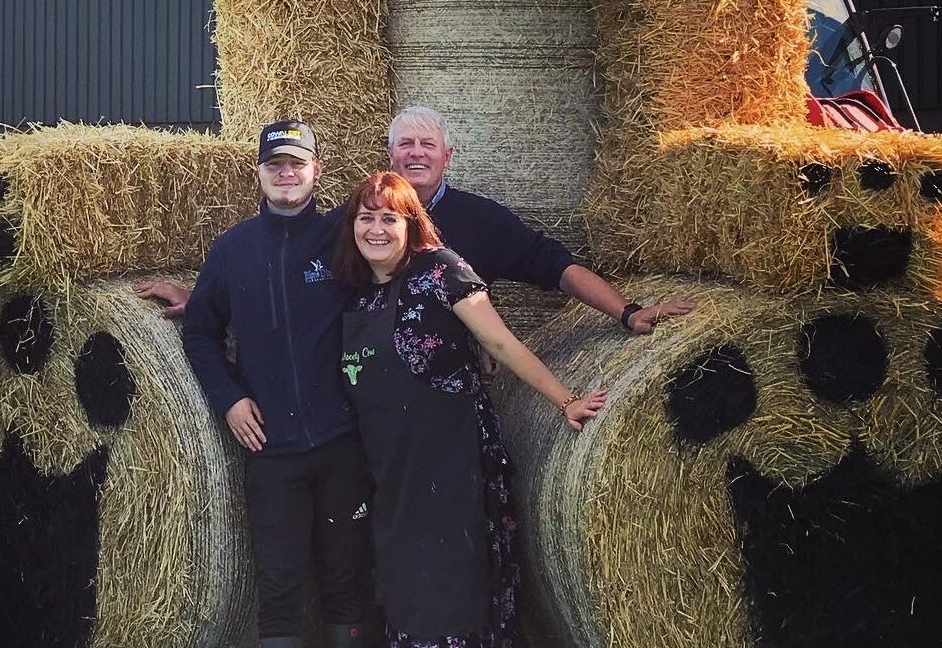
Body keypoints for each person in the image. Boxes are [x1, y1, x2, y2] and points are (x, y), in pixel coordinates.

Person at [333, 170, 606, 648]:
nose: (376, 229)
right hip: (390, 472)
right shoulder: (356, 290)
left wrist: (565, 400)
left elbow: (500, 342)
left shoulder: (441, 269)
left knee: (454, 583)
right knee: (404, 584)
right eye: (366, 218)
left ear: (410, 223)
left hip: (452, 461)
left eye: (389, 219)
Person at [182, 121, 373, 648]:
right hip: (272, 452)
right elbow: (199, 331)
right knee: (281, 587)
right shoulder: (232, 250)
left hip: (343, 443)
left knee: (348, 580)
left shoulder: (346, 236)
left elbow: (402, 281)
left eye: (296, 164)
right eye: (275, 165)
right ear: (260, 173)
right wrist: (229, 399)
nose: (286, 174)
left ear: (318, 170)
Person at [387, 105, 693, 333]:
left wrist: (628, 313)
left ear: (447, 157)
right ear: (391, 155)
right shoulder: (362, 222)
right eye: (406, 144)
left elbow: (552, 264)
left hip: (450, 391)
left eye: (428, 145)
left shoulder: (480, 219)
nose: (417, 153)